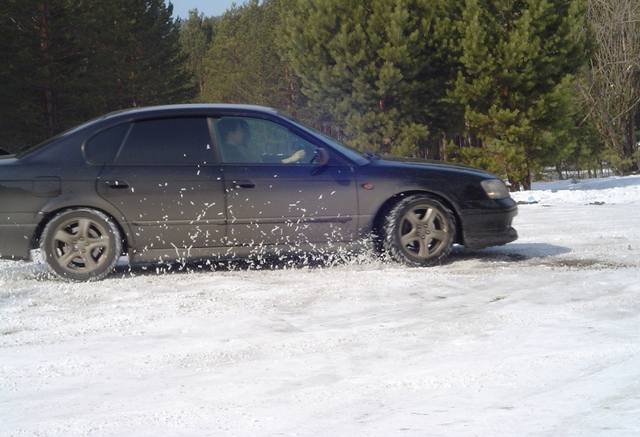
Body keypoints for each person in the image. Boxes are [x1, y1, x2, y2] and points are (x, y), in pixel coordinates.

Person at [217, 118, 306, 164]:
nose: (244, 134)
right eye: (241, 130)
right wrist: (292, 159)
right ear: (231, 133)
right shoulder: (232, 154)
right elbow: (258, 168)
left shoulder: (235, 149)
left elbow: (262, 160)